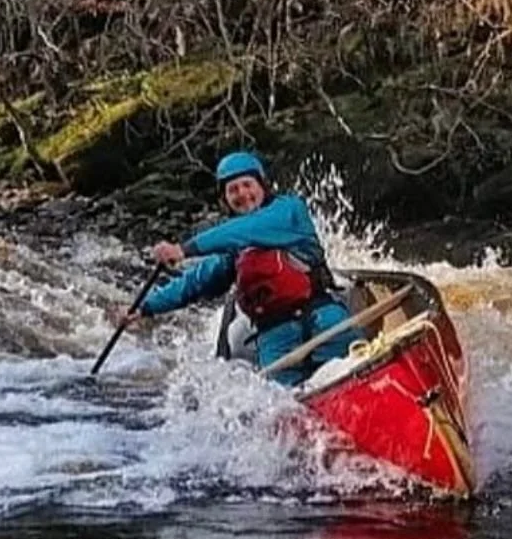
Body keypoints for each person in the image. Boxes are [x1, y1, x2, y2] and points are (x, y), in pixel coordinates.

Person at [111, 151, 363, 386]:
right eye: (233, 190)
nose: (242, 194)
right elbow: (195, 282)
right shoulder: (234, 251)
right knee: (287, 402)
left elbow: (248, 229)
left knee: (350, 373)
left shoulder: (290, 211)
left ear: (262, 186)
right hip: (275, 339)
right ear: (226, 200)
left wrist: (184, 249)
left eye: (247, 185)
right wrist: (144, 308)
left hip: (324, 321)